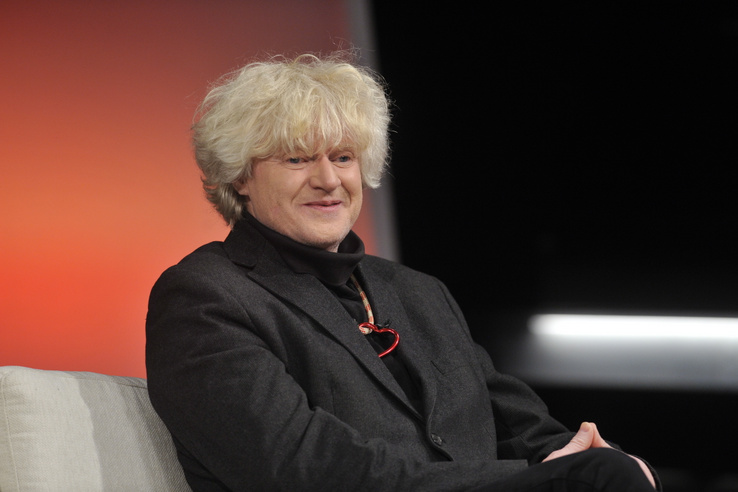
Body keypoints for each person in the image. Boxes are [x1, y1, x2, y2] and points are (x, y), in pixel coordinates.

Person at [146, 53, 659, 491]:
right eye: (297, 159)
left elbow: (527, 431)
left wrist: (601, 461)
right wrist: (543, 480)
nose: (328, 179)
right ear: (239, 177)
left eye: (343, 157)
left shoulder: (419, 292)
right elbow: (301, 467)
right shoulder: (205, 296)